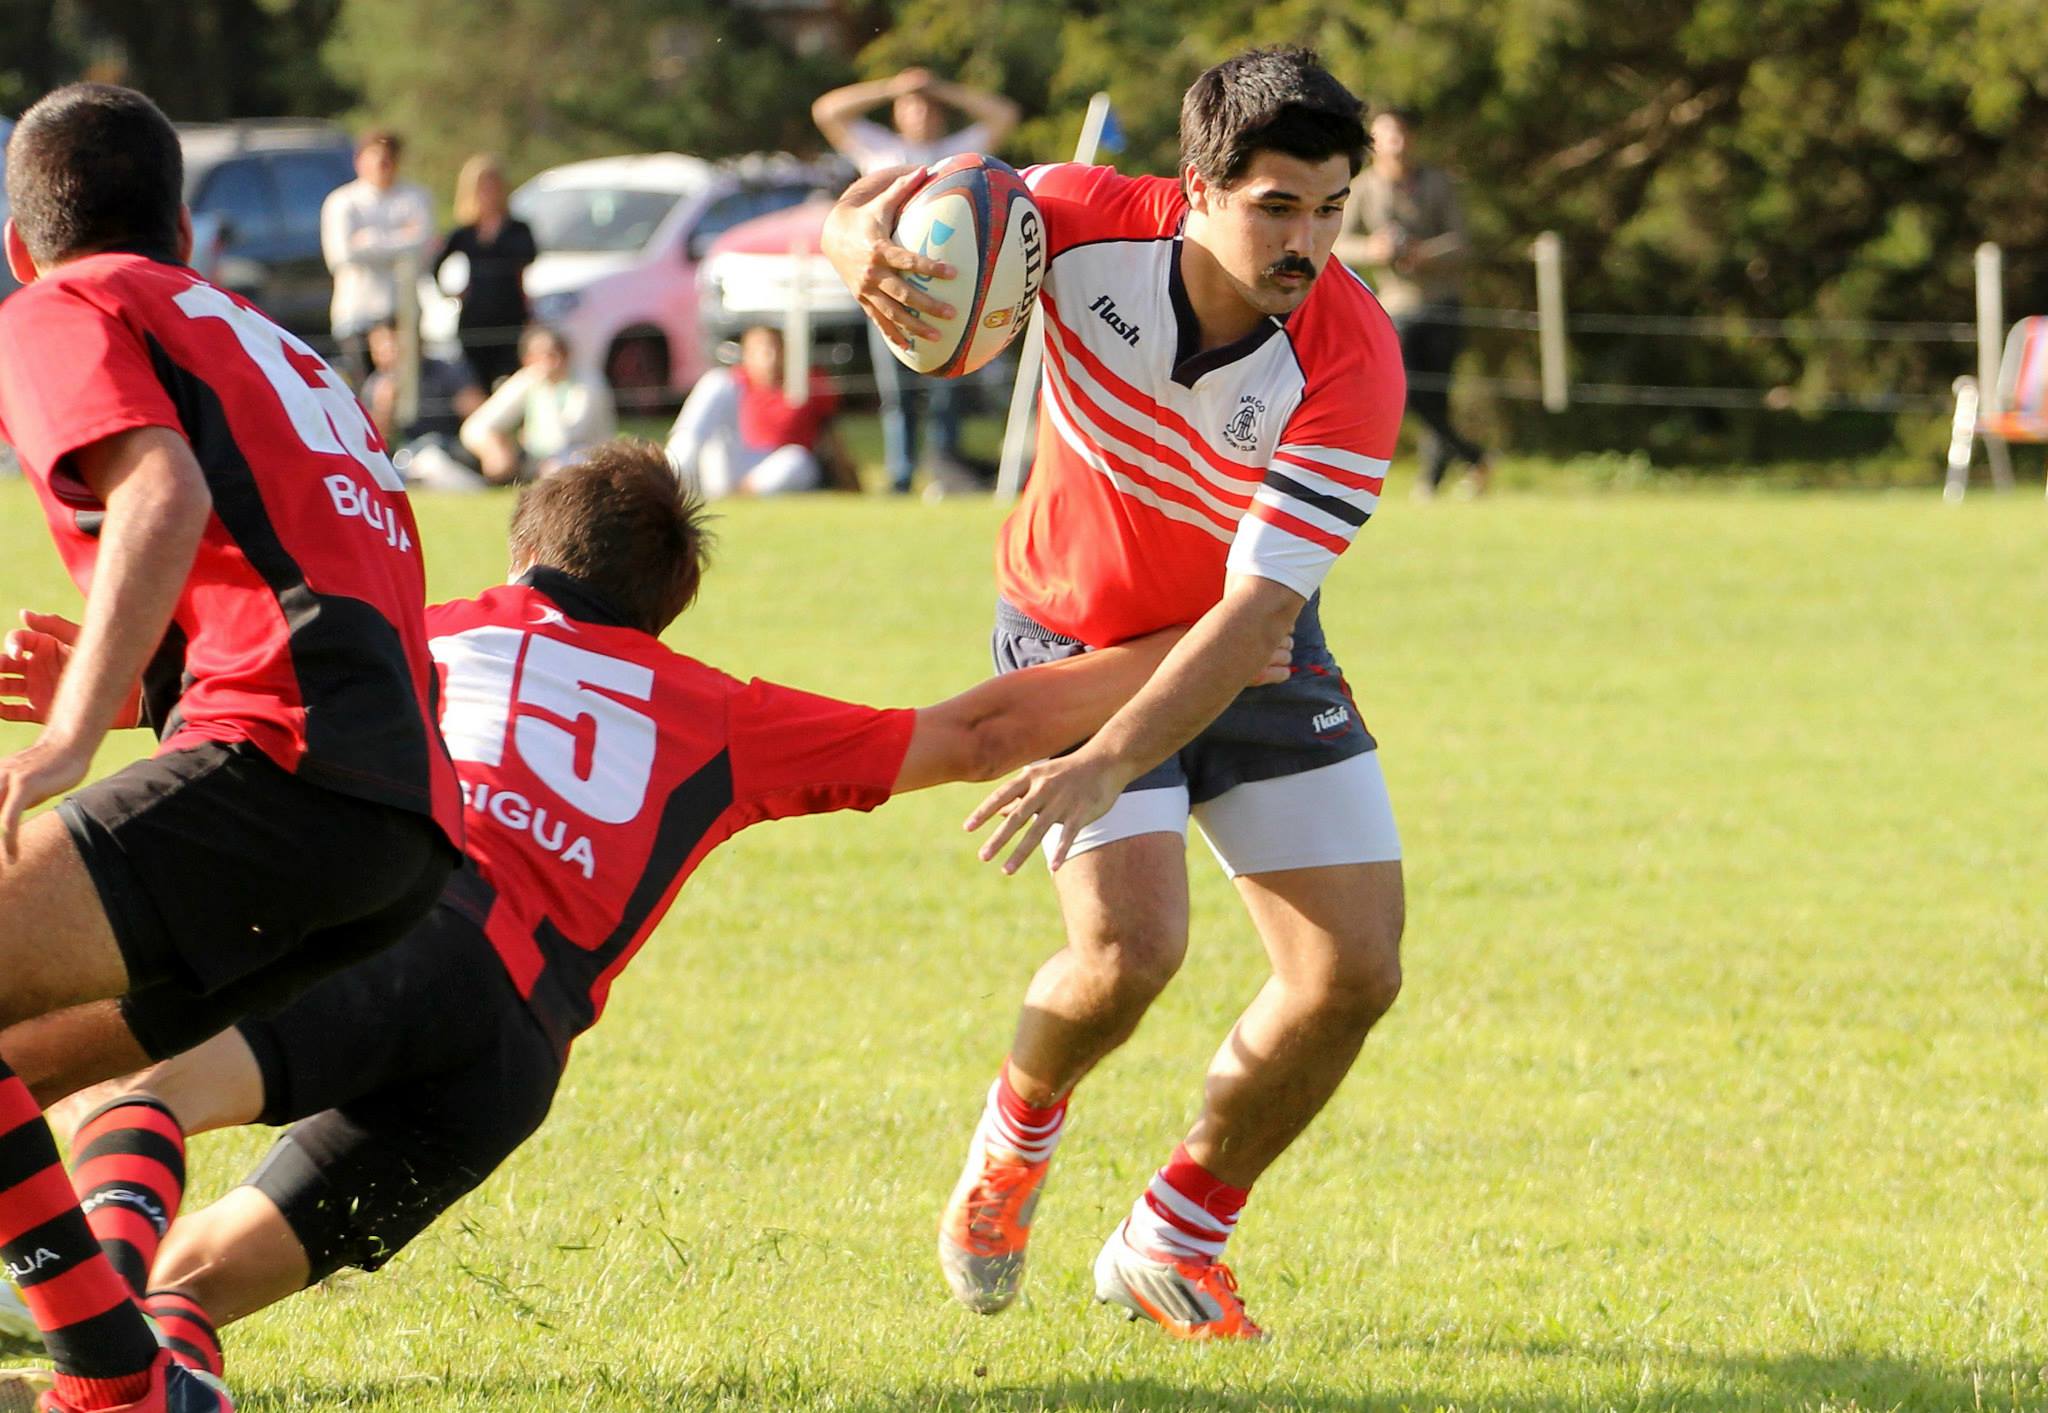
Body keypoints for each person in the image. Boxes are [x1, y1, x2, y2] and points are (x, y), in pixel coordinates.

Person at [0, 442, 1291, 1397]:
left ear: (521, 553)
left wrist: (123, 693)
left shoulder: (421, 633)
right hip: (509, 1065)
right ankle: (143, 1357)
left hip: (409, 937)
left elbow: (248, 702)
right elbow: (982, 730)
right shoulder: (717, 712)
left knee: (128, 1095)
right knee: (186, 1292)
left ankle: (94, 1348)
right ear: (669, 603)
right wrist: (1206, 649)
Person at [824, 47, 1406, 1340]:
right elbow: (885, 206)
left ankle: (1173, 1238)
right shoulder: (1073, 216)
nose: (1306, 242)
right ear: (1195, 188)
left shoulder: (1353, 358)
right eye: (1275, 207)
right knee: (1129, 953)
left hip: (1249, 646)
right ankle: (1013, 1143)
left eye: (1330, 209)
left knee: (1351, 971)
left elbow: (1254, 615)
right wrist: (848, 248)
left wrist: (1107, 760)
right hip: (1069, 627)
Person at [0, 83, 462, 1413]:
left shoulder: (63, 306)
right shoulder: (269, 342)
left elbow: (163, 490)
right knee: (19, 1070)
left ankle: (116, 1383)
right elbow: (311, 581)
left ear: (20, 245)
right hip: (398, 827)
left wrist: (70, 732)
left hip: (281, 772)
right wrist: (142, 677)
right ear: (187, 230)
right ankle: (114, 1371)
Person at [813, 67, 1020, 496]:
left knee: (948, 384)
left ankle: (945, 468)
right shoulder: (880, 148)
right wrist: (892, 86)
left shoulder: (957, 154)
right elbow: (827, 111)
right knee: (897, 389)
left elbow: (1004, 115)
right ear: (897, 113)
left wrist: (941, 87)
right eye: (911, 106)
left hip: (950, 284)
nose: (921, 113)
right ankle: (901, 475)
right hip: (886, 281)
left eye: (928, 106)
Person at [1335, 108, 1491, 498]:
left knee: (1437, 394)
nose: (1397, 143)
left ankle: (1431, 482)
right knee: (1405, 391)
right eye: (1387, 135)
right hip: (1395, 307)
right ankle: (1473, 456)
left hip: (1442, 302)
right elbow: (1337, 243)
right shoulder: (1363, 189)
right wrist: (1374, 249)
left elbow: (1462, 241)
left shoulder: (1439, 183)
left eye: (1402, 134)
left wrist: (1425, 254)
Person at [665, 324, 854, 497]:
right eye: (762, 350)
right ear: (747, 355)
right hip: (732, 461)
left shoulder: (808, 382)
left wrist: (849, 481)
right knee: (716, 381)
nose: (770, 358)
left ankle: (744, 494)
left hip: (774, 465)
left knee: (798, 459)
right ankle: (673, 469)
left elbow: (831, 436)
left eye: (776, 349)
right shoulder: (734, 383)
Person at [319, 128, 434, 385]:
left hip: (402, 311)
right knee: (363, 388)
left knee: (406, 388)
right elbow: (342, 255)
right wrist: (400, 240)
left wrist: (369, 240)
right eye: (376, 158)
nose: (383, 166)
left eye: (388, 159)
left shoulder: (415, 197)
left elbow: (423, 247)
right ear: (359, 161)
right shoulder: (342, 202)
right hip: (357, 313)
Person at [458, 325, 615, 484]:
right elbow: (476, 427)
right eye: (539, 356)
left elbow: (566, 437)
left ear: (566, 355)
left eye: (553, 354)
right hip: (538, 461)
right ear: (527, 359)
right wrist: (493, 448)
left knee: (558, 467)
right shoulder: (528, 379)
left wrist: (531, 438)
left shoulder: (587, 382)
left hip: (584, 458)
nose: (549, 362)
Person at [433, 154, 537, 392]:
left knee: (511, 381)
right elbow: (435, 263)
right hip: (475, 316)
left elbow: (527, 258)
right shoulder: (465, 232)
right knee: (476, 381)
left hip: (511, 313)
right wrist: (450, 293)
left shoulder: (518, 229)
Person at [359, 317, 487, 491]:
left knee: (433, 462)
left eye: (391, 345)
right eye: (377, 347)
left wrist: (463, 400)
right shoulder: (375, 384)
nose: (384, 352)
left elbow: (477, 412)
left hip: (448, 449)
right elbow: (373, 443)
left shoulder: (444, 370)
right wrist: (384, 407)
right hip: (404, 459)